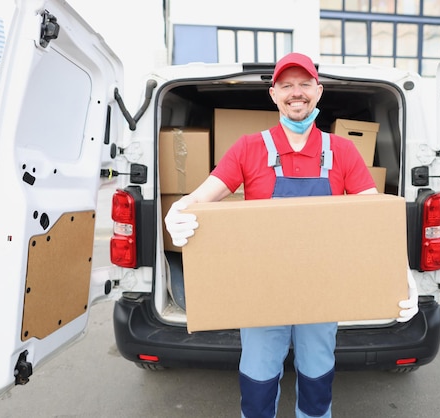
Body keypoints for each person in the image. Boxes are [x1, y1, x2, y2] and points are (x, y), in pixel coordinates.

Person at [165, 52, 418, 418]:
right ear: (273, 94)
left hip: (322, 288)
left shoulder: (342, 151)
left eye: (304, 85)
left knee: (317, 379)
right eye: (286, 85)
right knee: (257, 382)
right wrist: (180, 209)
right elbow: (202, 196)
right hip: (262, 288)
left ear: (319, 91)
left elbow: (375, 220)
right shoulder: (248, 148)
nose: (295, 93)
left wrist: (400, 276)